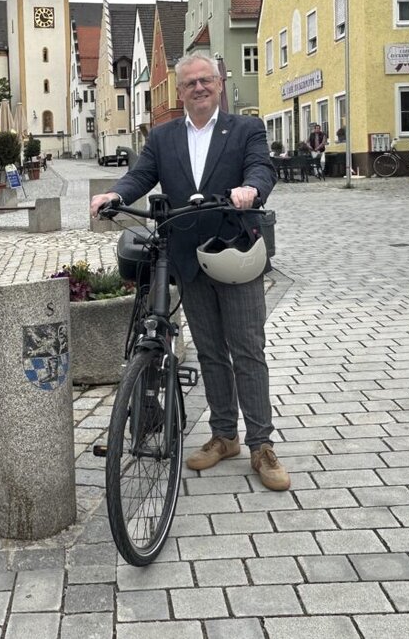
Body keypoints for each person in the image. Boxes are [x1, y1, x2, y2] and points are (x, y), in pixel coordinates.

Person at [89, 51, 289, 492]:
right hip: (187, 256)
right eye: (189, 83)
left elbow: (261, 167)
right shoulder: (163, 138)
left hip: (234, 252)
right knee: (212, 351)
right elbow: (139, 176)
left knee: (248, 350)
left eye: (206, 80)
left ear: (219, 83)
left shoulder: (245, 128)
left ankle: (261, 444)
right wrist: (114, 195)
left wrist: (250, 188)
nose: (198, 88)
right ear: (179, 92)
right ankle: (223, 436)